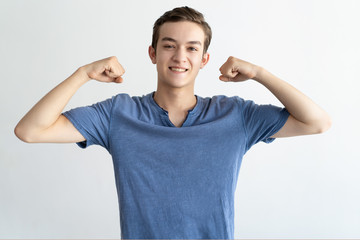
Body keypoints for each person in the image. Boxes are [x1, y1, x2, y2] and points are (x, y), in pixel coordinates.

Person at [14, 6, 331, 239]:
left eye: (192, 48)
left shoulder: (236, 116)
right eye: (169, 45)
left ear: (204, 59)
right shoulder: (118, 114)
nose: (180, 56)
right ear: (153, 53)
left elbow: (317, 122)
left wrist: (260, 74)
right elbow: (30, 131)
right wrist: (83, 74)